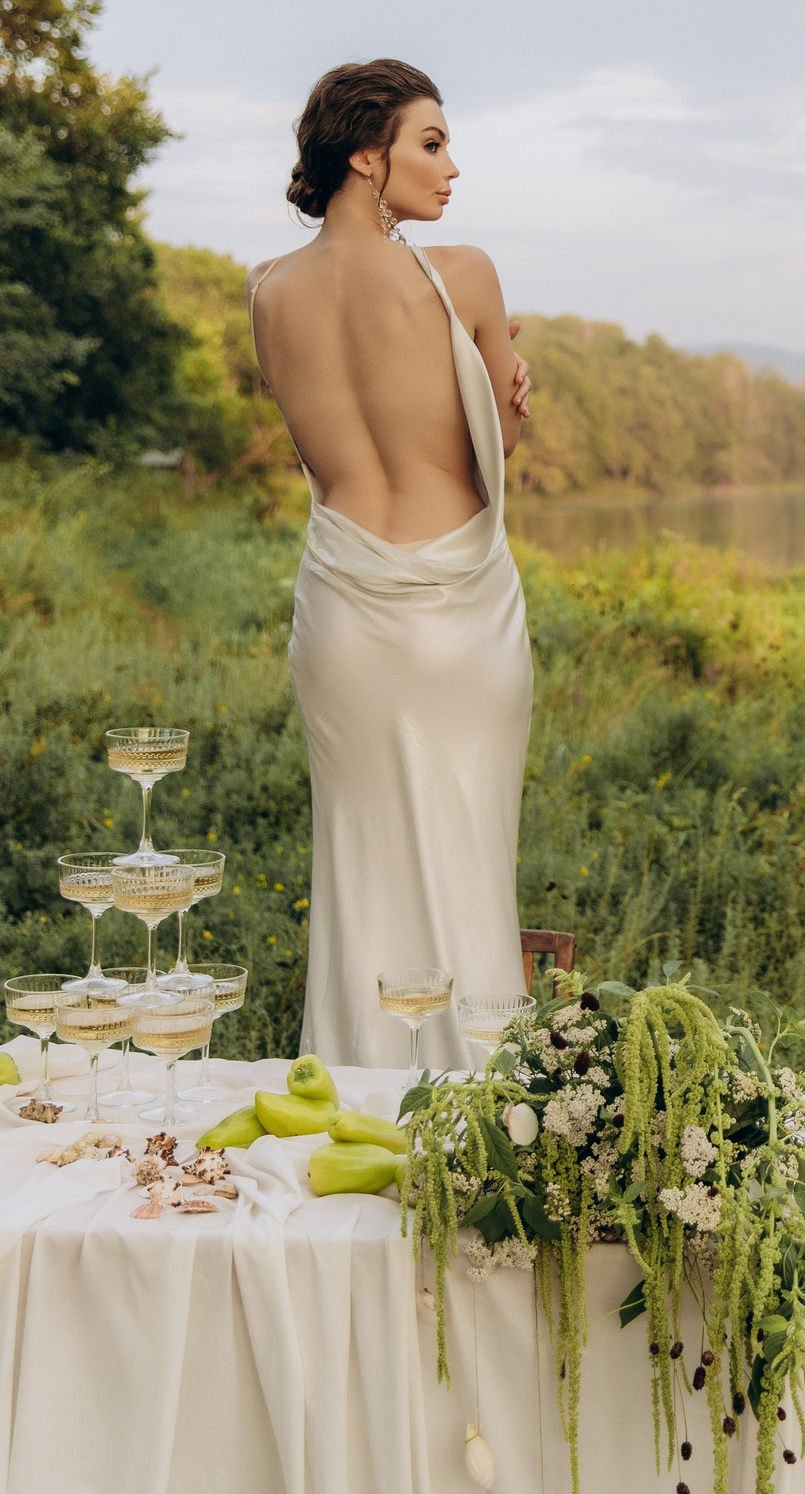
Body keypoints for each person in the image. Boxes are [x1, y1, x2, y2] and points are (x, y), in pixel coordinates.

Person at [246, 59, 534, 1072]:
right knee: (469, 868)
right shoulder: (460, 277)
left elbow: (309, 451)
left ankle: (353, 1089)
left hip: (343, 610)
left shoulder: (268, 292)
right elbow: (491, 450)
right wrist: (511, 394)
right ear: (366, 154)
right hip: (462, 610)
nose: (452, 168)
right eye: (430, 143)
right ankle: (482, 1116)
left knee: (357, 871)